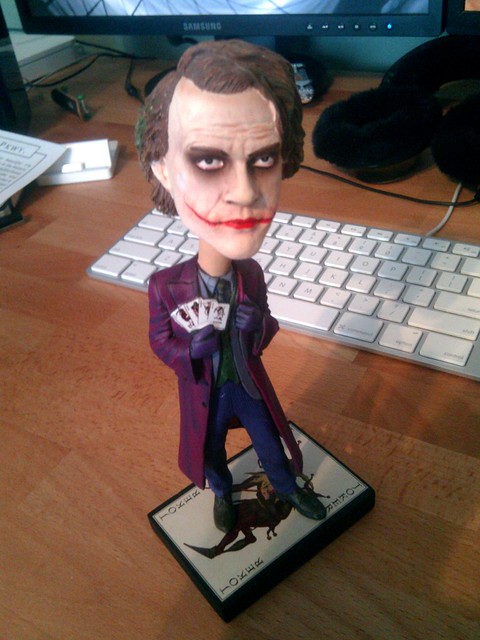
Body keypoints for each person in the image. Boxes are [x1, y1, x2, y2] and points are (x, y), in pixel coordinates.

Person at [137, 39, 326, 532]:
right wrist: (191, 349)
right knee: (211, 452)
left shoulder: (252, 275)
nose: (244, 192)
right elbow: (160, 341)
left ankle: (286, 486)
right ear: (164, 171)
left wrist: (256, 322)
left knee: (269, 442)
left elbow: (266, 330)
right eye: (208, 161)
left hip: (246, 383)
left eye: (264, 159)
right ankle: (222, 494)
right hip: (205, 390)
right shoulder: (166, 286)